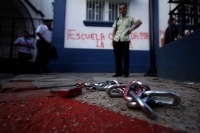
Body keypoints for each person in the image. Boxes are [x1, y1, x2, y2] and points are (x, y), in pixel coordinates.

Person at [112, 3, 142, 77]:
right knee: (117, 57)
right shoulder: (117, 19)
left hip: (125, 40)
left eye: (123, 8)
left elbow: (139, 22)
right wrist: (113, 39)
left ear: (126, 9)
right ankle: (118, 72)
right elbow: (114, 30)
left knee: (125, 57)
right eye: (120, 8)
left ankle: (126, 72)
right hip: (117, 40)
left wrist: (131, 29)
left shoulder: (130, 18)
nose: (122, 10)